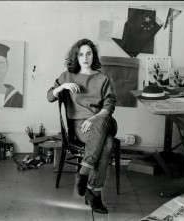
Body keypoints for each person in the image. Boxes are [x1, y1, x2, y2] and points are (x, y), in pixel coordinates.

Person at [47, 39, 117, 214]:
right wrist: (61, 86)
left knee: (102, 125)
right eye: (80, 54)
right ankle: (94, 193)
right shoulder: (67, 76)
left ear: (93, 55)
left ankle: (84, 172)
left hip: (103, 120)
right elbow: (50, 96)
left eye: (89, 53)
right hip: (80, 128)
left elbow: (109, 107)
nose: (85, 57)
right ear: (75, 57)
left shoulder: (103, 78)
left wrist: (94, 119)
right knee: (107, 143)